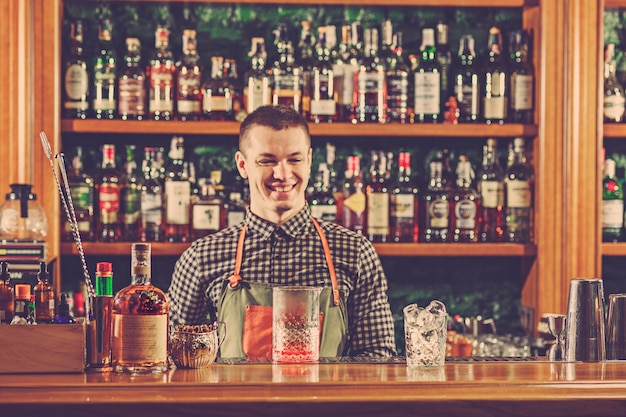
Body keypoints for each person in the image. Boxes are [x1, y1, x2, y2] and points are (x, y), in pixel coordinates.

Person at [167, 105, 396, 358]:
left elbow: (377, 360)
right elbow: (181, 361)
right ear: (242, 165)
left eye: (294, 160)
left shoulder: (354, 251)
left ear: (309, 161)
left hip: (326, 398)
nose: (283, 173)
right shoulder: (202, 257)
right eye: (267, 161)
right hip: (236, 397)